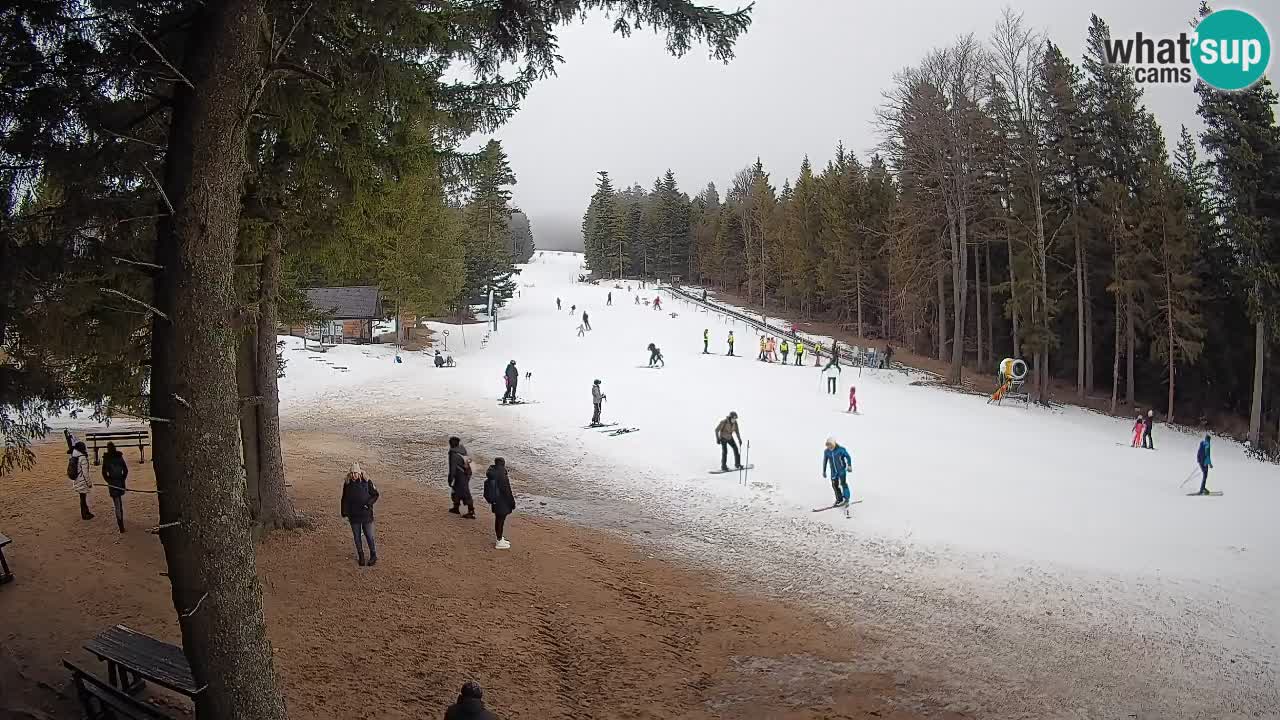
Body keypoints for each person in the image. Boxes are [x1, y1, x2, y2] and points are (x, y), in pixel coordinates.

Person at [340, 462, 379, 566]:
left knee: (369, 536)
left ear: (359, 473)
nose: (353, 475)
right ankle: (361, 556)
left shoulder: (367, 481)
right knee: (357, 537)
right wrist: (344, 512)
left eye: (355, 473)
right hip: (354, 515)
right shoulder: (347, 484)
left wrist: (368, 504)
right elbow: (344, 499)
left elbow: (375, 495)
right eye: (352, 473)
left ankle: (373, 555)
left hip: (366, 515)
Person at [483, 457, 516, 549]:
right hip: (502, 502)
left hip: (495, 501)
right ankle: (499, 541)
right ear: (503, 464)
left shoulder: (492, 472)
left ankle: (500, 538)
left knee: (499, 520)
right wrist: (512, 503)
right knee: (500, 521)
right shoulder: (501, 475)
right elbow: (507, 491)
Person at [101, 441, 128, 532]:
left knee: (117, 503)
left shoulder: (107, 459)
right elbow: (125, 470)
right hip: (119, 481)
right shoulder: (119, 457)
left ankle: (120, 524)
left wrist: (108, 480)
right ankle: (121, 521)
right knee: (118, 503)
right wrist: (122, 479)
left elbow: (104, 473)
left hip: (112, 482)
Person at [447, 437, 475, 518]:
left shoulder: (453, 454)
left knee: (464, 492)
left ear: (451, 444)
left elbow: (452, 468)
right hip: (467, 472)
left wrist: (450, 479)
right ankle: (456, 508)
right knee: (457, 490)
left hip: (461, 475)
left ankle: (471, 511)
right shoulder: (462, 449)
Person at [822, 438, 853, 506]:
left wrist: (849, 466)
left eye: (830, 445)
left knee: (843, 483)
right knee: (835, 485)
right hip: (833, 472)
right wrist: (824, 471)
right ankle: (839, 499)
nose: (829, 447)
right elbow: (825, 461)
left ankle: (846, 499)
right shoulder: (826, 451)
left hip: (841, 470)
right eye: (828, 445)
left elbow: (848, 457)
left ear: (834, 444)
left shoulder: (841, 449)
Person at [69, 440, 93, 520]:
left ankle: (86, 512)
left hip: (77, 480)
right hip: (82, 481)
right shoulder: (82, 458)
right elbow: (85, 473)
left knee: (82, 498)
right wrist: (89, 483)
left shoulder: (75, 456)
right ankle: (84, 515)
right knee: (83, 499)